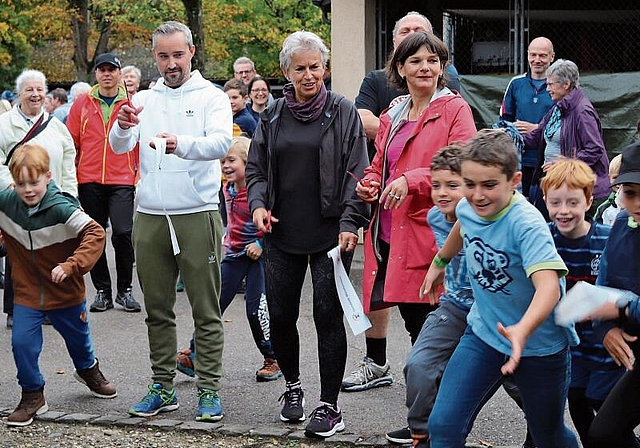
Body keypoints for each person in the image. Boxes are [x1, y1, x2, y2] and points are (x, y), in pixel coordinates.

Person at [245, 30, 369, 438]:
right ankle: (293, 389)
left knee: (326, 314)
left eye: (315, 66)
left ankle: (330, 405)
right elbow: (256, 169)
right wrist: (259, 203)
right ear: (286, 71)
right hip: (281, 232)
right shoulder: (273, 114)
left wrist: (352, 222)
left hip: (331, 233)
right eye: (300, 68)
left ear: (325, 68)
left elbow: (358, 173)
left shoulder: (343, 111)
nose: (309, 74)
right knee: (280, 314)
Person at [423, 129, 579, 448]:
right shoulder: (469, 206)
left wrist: (522, 330)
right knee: (443, 427)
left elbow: (549, 286)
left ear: (515, 180)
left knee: (547, 435)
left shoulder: (527, 225)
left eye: (490, 185)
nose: (478, 195)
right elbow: (462, 224)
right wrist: (440, 263)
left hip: (539, 346)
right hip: (485, 333)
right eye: (470, 184)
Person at [109, 20, 232, 421]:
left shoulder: (211, 96)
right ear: (155, 57)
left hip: (197, 213)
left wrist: (182, 146)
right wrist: (122, 126)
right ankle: (162, 385)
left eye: (178, 54)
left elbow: (221, 143)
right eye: (163, 56)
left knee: (205, 309)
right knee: (157, 308)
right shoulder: (145, 97)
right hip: (150, 214)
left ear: (191, 52)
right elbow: (120, 146)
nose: (171, 63)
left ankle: (209, 389)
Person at [346, 14, 462, 420]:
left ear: (442, 67)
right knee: (416, 328)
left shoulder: (454, 109)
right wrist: (371, 183)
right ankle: (426, 419)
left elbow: (462, 166)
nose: (425, 67)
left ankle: (435, 420)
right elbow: (380, 163)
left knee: (432, 331)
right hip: (390, 231)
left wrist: (411, 180)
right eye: (415, 61)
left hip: (434, 234)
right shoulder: (394, 111)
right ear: (400, 68)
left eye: (433, 60)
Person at [3, 144, 115, 427]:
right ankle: (32, 394)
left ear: (48, 177)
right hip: (27, 290)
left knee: (79, 342)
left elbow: (95, 232)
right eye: (22, 184)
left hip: (65, 289)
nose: (28, 190)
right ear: (13, 182)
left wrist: (71, 265)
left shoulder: (62, 206)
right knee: (22, 344)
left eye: (35, 182)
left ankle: (89, 370)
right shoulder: (6, 202)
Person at [176, 136, 282, 382]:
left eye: (231, 160)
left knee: (256, 311)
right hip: (233, 254)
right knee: (211, 305)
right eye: (223, 161)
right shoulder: (227, 188)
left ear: (248, 163)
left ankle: (273, 358)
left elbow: (279, 224)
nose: (225, 165)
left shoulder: (262, 191)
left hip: (258, 258)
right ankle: (194, 354)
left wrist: (260, 244)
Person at [540, 159, 630, 446]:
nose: (564, 211)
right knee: (576, 396)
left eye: (573, 202)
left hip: (605, 340)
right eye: (556, 202)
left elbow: (621, 287)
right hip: (571, 343)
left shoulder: (606, 239)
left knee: (601, 403)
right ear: (545, 200)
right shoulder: (542, 239)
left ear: (589, 200)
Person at [400, 144, 474, 447]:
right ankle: (422, 432)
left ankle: (539, 433)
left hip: (492, 309)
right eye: (437, 185)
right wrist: (440, 268)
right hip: (454, 304)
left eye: (452, 186)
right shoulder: (434, 217)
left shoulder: (482, 214)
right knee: (418, 364)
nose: (442, 193)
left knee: (520, 381)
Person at [0, 69, 78, 330]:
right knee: (18, 253)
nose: (35, 94)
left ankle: (48, 305)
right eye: (29, 90)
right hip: (17, 196)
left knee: (49, 251)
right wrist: (10, 183)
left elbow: (68, 162)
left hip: (51, 198)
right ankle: (15, 308)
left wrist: (70, 195)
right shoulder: (4, 124)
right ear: (19, 93)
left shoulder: (56, 126)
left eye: (39, 90)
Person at [66, 52, 141, 313]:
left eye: (112, 69)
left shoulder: (131, 102)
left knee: (123, 233)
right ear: (96, 74)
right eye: (102, 69)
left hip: (122, 178)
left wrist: (138, 173)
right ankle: (102, 291)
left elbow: (140, 142)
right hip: (89, 179)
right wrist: (71, 177)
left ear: (120, 73)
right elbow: (71, 143)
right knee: (95, 236)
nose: (107, 74)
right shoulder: (82, 104)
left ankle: (125, 290)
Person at [582, 142, 640, 448]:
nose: (638, 203)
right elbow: (601, 290)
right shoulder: (621, 223)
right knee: (603, 431)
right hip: (633, 346)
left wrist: (624, 305)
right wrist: (605, 328)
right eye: (630, 193)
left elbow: (614, 300)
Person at [524, 59, 610, 217]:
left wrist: (563, 164)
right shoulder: (558, 107)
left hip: (579, 187)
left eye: (551, 84)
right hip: (557, 183)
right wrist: (512, 138)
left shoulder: (583, 111)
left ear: (566, 84)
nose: (547, 89)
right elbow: (538, 135)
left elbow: (594, 149)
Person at [500, 37, 555, 198]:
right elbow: (504, 119)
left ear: (552, 57)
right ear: (528, 55)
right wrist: (511, 130)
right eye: (533, 55)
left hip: (547, 162)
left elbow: (566, 123)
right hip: (519, 160)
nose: (537, 60)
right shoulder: (516, 84)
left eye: (543, 56)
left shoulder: (559, 86)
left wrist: (538, 129)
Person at [594, 154, 624, 225]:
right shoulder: (604, 207)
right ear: (609, 178)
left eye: (623, 177)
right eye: (615, 177)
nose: (619, 181)